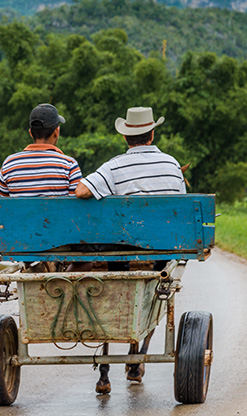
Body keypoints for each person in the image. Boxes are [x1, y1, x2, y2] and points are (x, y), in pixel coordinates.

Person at [75, 106, 186, 395]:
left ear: (126, 138)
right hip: (160, 250)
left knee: (113, 282)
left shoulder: (114, 166)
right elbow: (181, 209)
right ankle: (137, 360)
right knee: (158, 285)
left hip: (122, 251)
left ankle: (104, 372)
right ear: (152, 134)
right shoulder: (173, 165)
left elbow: (81, 192)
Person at [0, 103, 81, 198]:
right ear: (56, 132)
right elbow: (77, 208)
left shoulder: (9, 164)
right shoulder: (69, 166)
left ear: (31, 133)